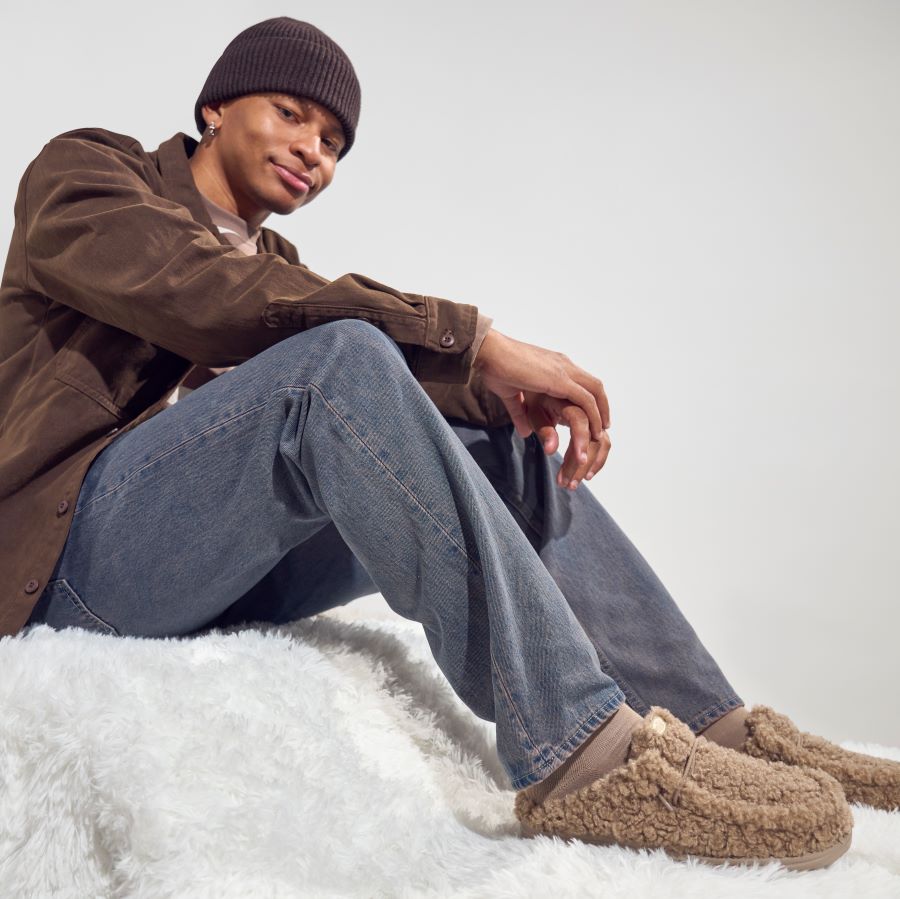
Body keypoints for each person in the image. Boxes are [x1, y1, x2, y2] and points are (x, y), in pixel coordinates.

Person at [0, 15, 895, 871]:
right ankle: (578, 753)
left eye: (334, 143)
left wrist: (499, 394)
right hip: (57, 567)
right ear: (215, 109)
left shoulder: (277, 274)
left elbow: (358, 373)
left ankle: (709, 725)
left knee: (496, 441)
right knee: (340, 359)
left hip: (196, 568)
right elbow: (206, 298)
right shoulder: (86, 176)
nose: (314, 150)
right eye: (292, 114)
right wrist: (474, 339)